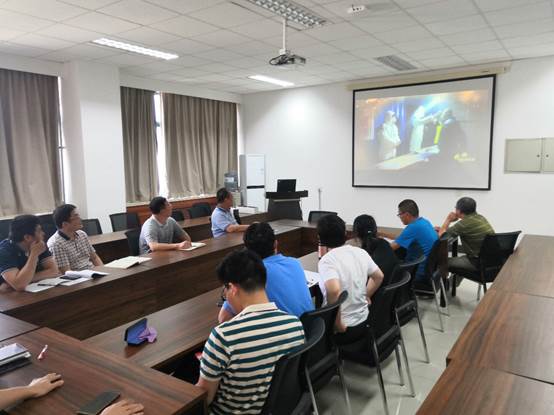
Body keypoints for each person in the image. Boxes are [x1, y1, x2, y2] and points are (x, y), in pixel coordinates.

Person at [197, 249, 305, 414]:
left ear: (232, 288)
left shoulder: (223, 336)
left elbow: (204, 398)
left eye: (224, 290)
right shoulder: (295, 324)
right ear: (265, 283)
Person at [218, 222, 314, 323]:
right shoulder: (295, 263)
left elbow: (223, 318)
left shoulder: (252, 274)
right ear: (275, 244)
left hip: (283, 331)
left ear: (247, 250)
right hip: (312, 328)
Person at [317, 215, 384, 345]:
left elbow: (334, 290)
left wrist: (337, 324)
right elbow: (379, 276)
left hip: (343, 329)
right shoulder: (360, 252)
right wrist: (366, 295)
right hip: (364, 321)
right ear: (345, 234)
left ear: (320, 238)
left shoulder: (327, 260)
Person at [380, 199, 438, 289]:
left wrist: (378, 244)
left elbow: (390, 249)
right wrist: (383, 234)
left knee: (384, 263)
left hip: (417, 272)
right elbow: (402, 237)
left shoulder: (413, 227)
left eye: (399, 214)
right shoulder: (423, 222)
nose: (399, 217)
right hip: (430, 269)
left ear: (407, 214)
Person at [0, 215, 59, 292]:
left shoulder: (39, 245)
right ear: (27, 237)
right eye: (39, 231)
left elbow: (54, 271)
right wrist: (34, 254)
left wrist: (25, 280)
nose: (43, 233)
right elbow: (19, 285)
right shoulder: (4, 251)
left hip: (33, 290)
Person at [438, 197, 494, 273]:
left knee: (441, 262)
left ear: (458, 211)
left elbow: (440, 237)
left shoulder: (463, 224)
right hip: (491, 261)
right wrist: (443, 228)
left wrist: (448, 220)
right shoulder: (481, 217)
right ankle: (454, 281)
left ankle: (444, 281)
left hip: (476, 262)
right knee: (460, 259)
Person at [47, 204, 103, 273]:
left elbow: (94, 258)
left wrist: (103, 271)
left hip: (93, 272)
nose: (80, 219)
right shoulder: (56, 244)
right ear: (65, 224)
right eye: (76, 217)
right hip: (78, 277)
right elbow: (66, 272)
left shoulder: (82, 234)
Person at [352, 214, 398, 287]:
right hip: (388, 286)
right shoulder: (384, 243)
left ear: (356, 232)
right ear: (375, 229)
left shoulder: (363, 252)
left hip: (374, 289)